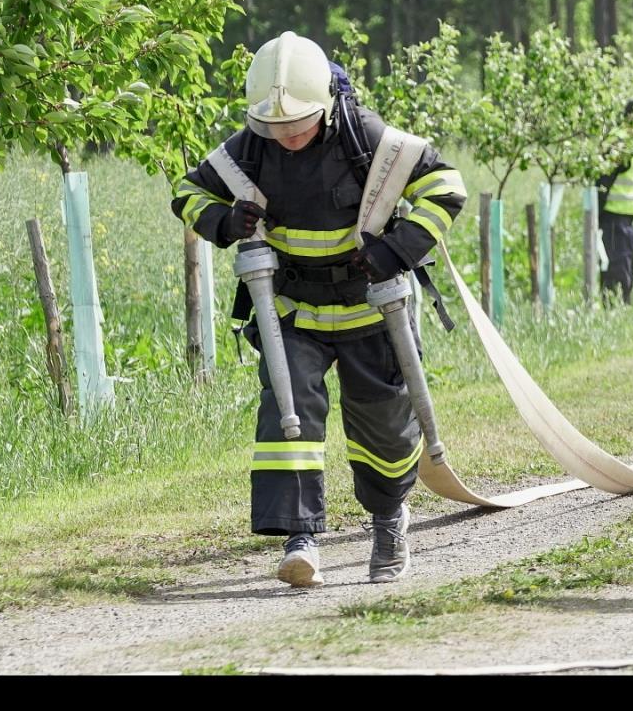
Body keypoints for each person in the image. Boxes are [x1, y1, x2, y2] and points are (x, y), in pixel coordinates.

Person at [171, 32, 467, 588]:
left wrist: (394, 249)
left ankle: (387, 523)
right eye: (273, 127)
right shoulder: (252, 145)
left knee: (383, 424)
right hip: (294, 313)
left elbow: (446, 187)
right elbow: (189, 192)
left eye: (297, 126)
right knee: (290, 414)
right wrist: (223, 222)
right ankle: (300, 538)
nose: (285, 137)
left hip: (371, 313)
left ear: (326, 108)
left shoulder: (370, 141)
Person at [597, 107, 633, 304]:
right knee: (617, 267)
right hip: (614, 217)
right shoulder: (621, 144)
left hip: (624, 218)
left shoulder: (632, 144)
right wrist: (598, 215)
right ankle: (615, 308)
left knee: (625, 265)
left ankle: (622, 306)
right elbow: (603, 181)